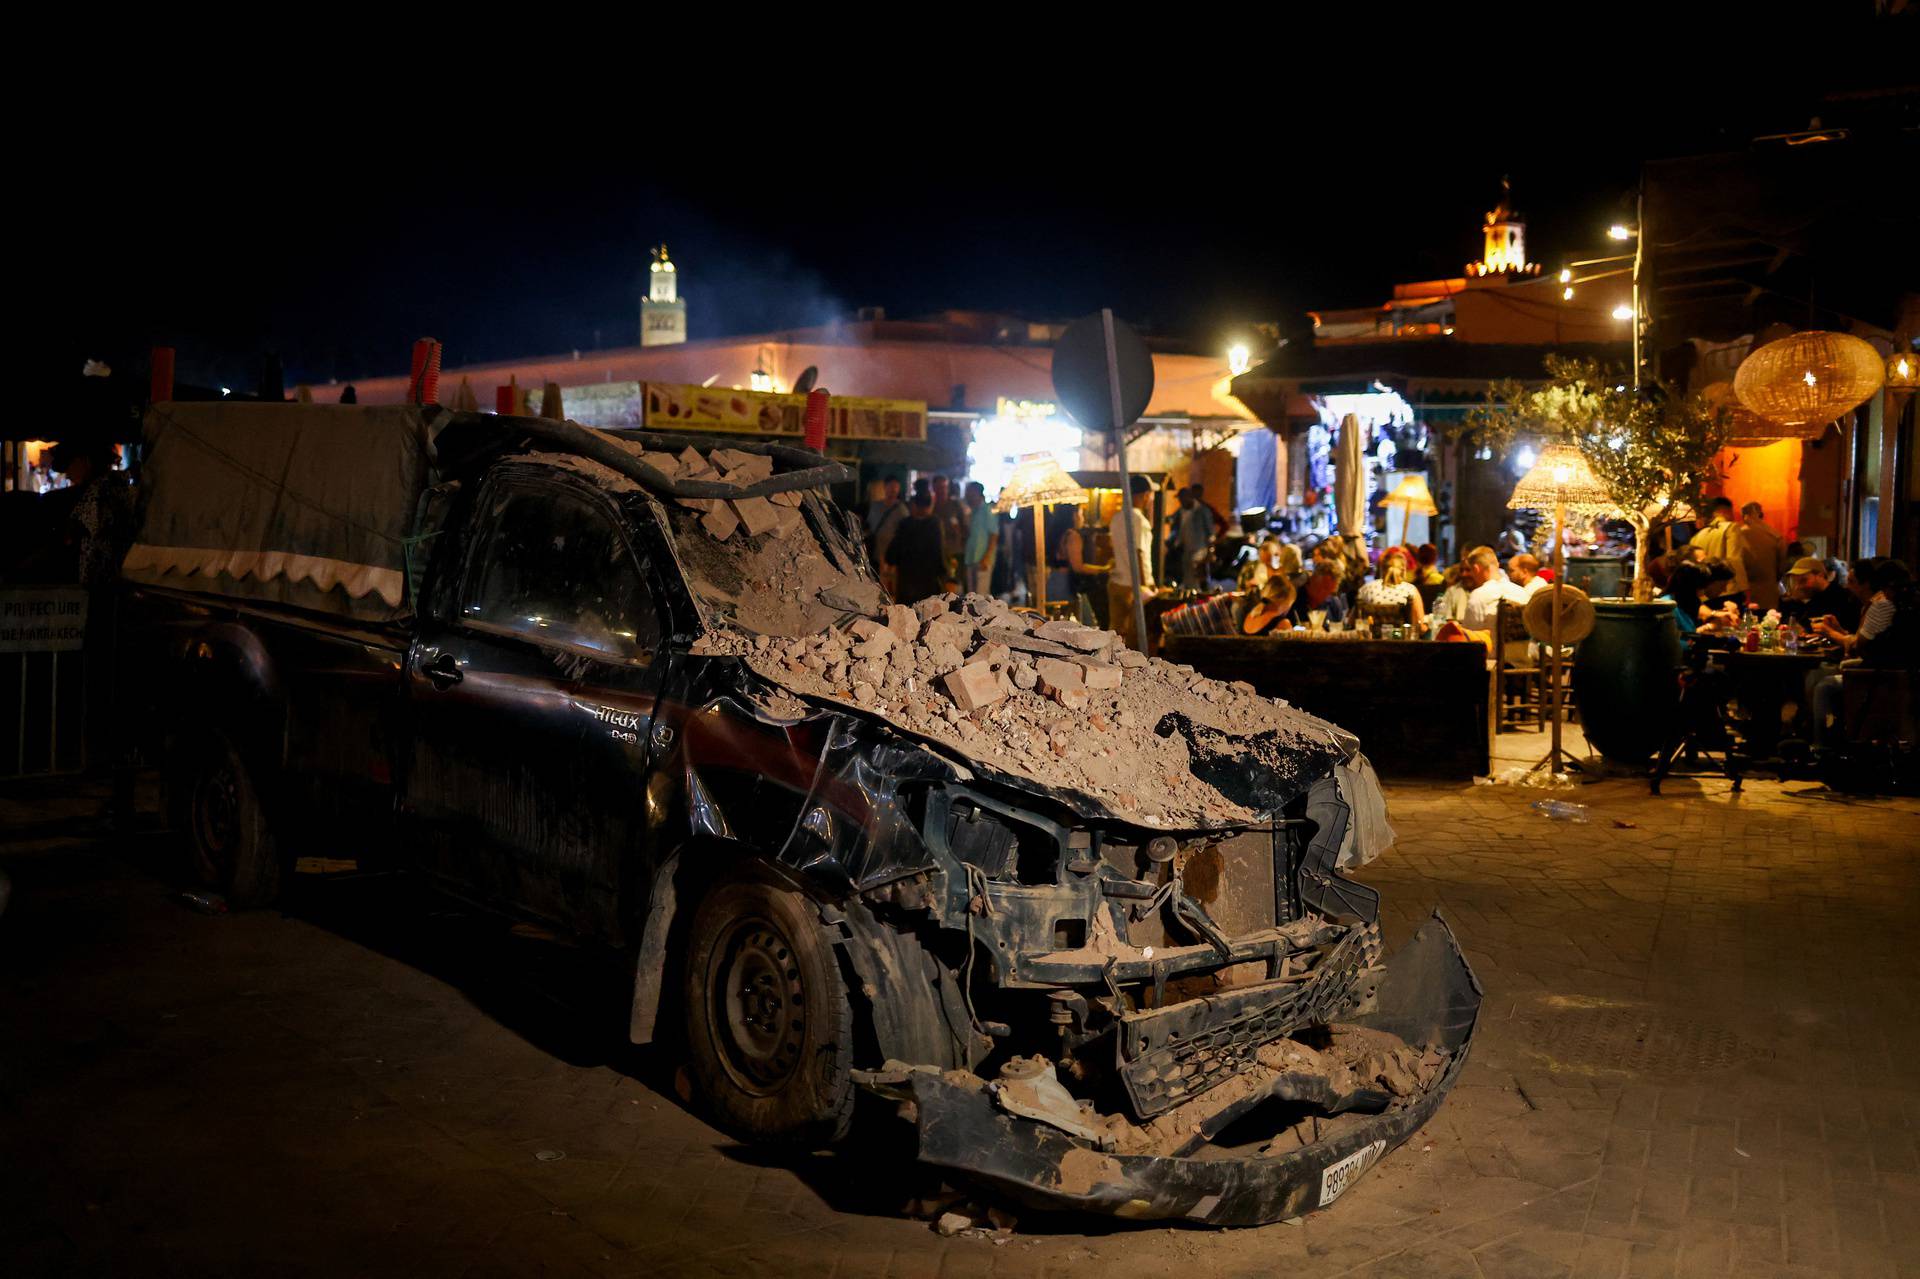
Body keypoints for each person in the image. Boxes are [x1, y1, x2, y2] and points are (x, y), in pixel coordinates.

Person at [1108, 475, 1156, 648]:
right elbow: (1139, 553)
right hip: (1134, 586)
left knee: (1116, 635)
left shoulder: (1116, 518)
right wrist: (1145, 585)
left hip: (1116, 583)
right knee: (1136, 638)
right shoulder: (1139, 520)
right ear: (1144, 495)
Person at [1688, 497, 1749, 609]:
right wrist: (1744, 588)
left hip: (1704, 594)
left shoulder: (1697, 535)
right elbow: (1734, 559)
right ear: (1725, 510)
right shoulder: (1731, 527)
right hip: (1728, 590)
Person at [886, 493, 947, 603]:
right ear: (930, 506)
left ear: (914, 505)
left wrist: (890, 561)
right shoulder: (935, 524)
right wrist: (943, 573)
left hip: (907, 580)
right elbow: (939, 551)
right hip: (929, 580)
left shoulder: (905, 524)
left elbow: (892, 552)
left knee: (907, 614)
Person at [1779, 556, 1860, 631]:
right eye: (1796, 582)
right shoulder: (1813, 598)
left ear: (1820, 576)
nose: (1798, 587)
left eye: (1803, 580)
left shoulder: (1841, 597)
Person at [1664, 561, 1738, 635]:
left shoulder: (1686, 599)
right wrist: (1708, 627)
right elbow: (1681, 641)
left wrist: (1721, 614)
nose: (1703, 591)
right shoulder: (1669, 606)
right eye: (1702, 586)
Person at [1357, 551, 1426, 628]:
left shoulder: (1366, 588)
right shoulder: (1410, 590)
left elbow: (1353, 621)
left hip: (1370, 639)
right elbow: (1420, 626)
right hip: (1402, 639)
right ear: (1403, 570)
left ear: (1382, 569)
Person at [866, 476, 908, 592]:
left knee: (890, 583)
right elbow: (870, 525)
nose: (893, 490)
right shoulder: (875, 506)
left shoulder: (902, 509)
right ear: (885, 487)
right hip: (876, 550)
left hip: (893, 553)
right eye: (891, 487)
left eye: (896, 487)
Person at [1739, 502, 1784, 610]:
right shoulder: (1775, 536)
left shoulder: (1736, 535)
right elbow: (1781, 567)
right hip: (1769, 594)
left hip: (1742, 594)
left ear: (1744, 515)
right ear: (1761, 514)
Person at [1174, 486, 1215, 588]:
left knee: (1197, 575)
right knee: (1187, 576)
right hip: (1186, 549)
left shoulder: (1202, 511)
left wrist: (1210, 551)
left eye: (1182, 499)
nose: (1181, 502)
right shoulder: (1181, 512)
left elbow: (1211, 533)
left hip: (1199, 550)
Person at [962, 480, 997, 596]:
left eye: (969, 493)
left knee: (981, 598)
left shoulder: (988, 510)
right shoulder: (973, 512)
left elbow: (994, 535)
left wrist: (986, 557)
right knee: (972, 596)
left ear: (977, 494)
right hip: (971, 558)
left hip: (982, 560)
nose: (967, 496)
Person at [1288, 562, 1348, 627]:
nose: (1326, 595)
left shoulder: (1333, 604)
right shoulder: (1293, 599)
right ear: (1313, 579)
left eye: (1330, 592)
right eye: (1325, 588)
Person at [931, 475, 965, 582]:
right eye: (938, 487)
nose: (941, 490)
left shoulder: (955, 505)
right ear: (934, 488)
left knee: (954, 584)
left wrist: (959, 532)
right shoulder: (931, 507)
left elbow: (965, 527)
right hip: (936, 552)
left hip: (954, 551)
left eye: (944, 487)